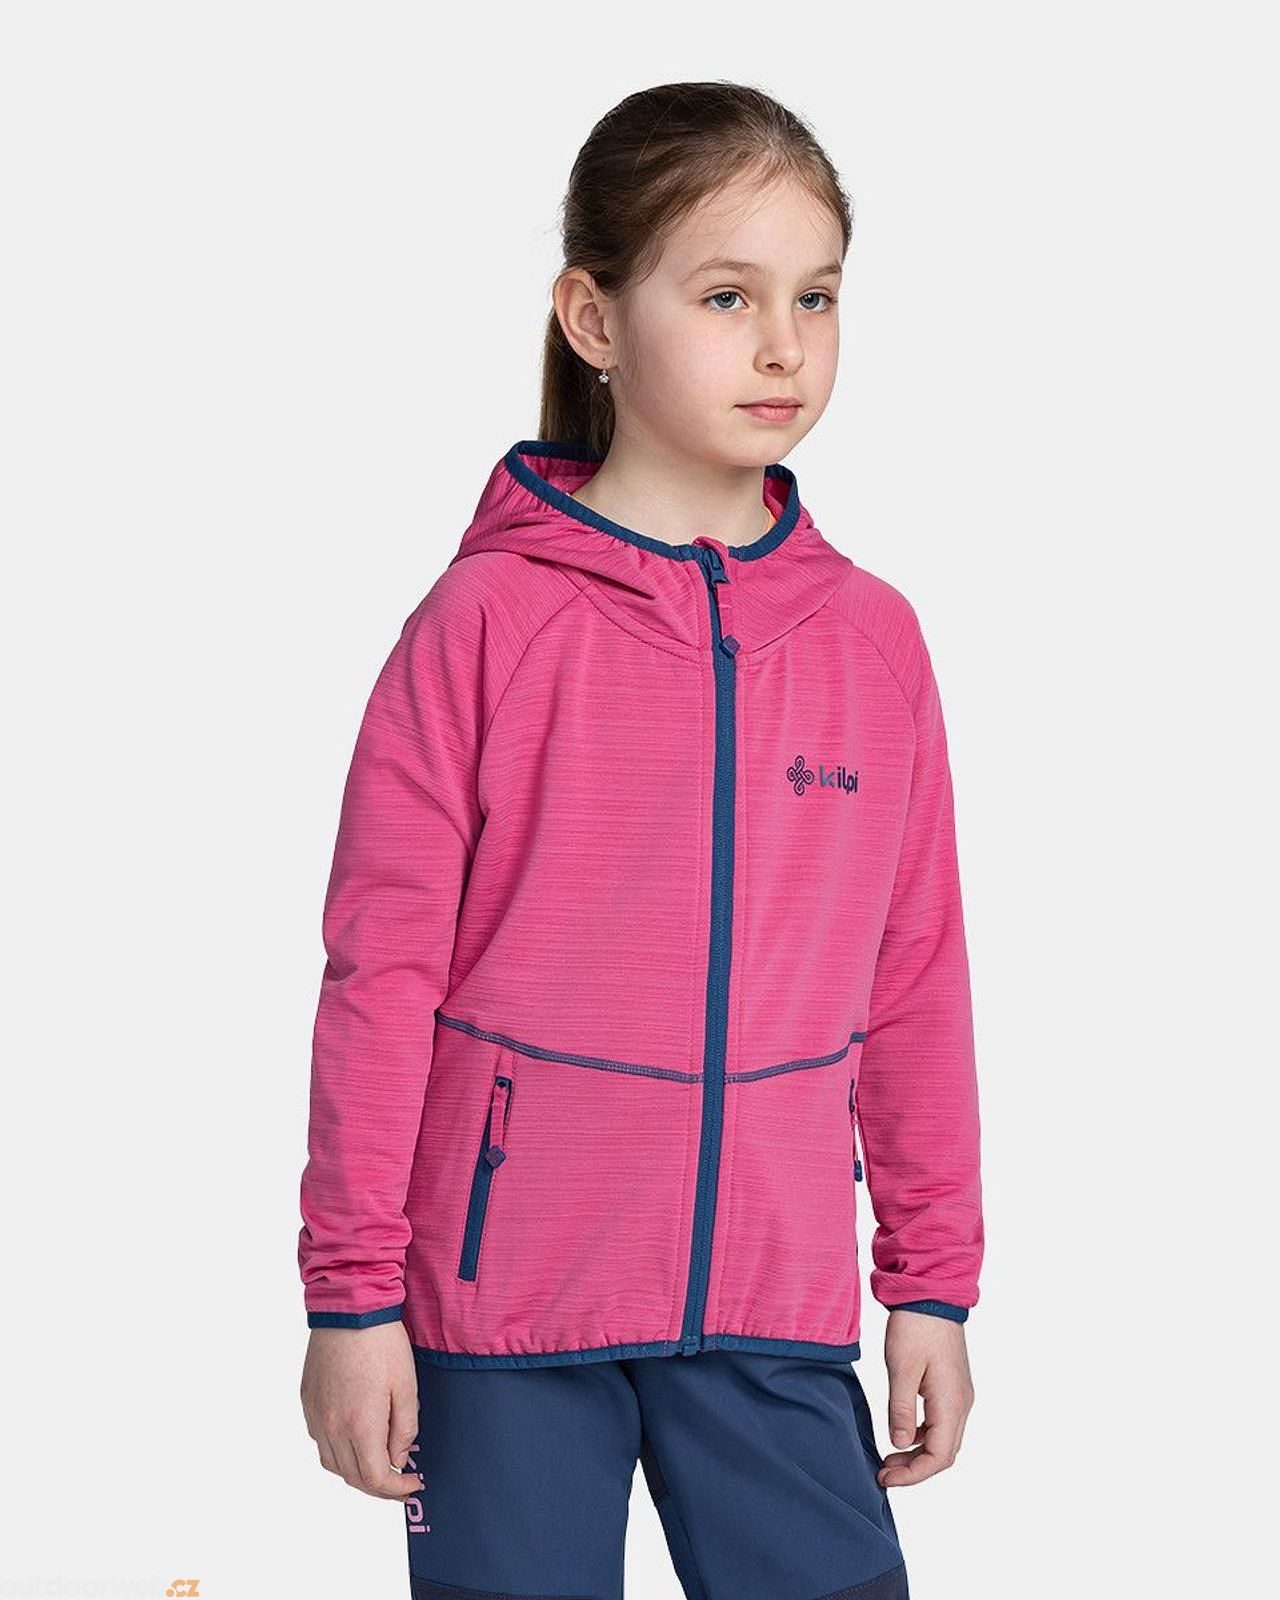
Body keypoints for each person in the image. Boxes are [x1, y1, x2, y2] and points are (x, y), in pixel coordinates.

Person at [298, 80, 984, 1600]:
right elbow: (381, 976)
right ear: (594, 318)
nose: (783, 344)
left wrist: (931, 1280)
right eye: (727, 296)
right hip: (498, 1310)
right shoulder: (484, 625)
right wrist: (352, 1299)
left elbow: (916, 978)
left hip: (774, 1301)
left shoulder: (872, 642)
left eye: (816, 296)